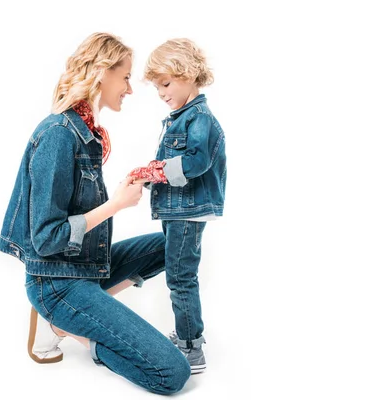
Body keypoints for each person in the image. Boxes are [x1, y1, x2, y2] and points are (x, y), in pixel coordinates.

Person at [0, 33, 190, 394]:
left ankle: (82, 311)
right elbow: (46, 237)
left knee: (174, 244)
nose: (130, 89)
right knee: (171, 374)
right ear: (103, 72)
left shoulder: (86, 132)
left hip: (83, 266)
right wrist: (115, 204)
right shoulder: (58, 134)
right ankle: (64, 327)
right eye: (127, 77)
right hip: (55, 282)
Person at [128, 38, 227, 374]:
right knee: (178, 272)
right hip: (176, 209)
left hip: (187, 211)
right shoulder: (180, 117)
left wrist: (159, 171)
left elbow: (196, 161)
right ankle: (188, 333)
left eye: (166, 84)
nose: (162, 94)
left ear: (188, 74)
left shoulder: (200, 118)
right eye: (158, 88)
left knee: (181, 277)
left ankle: (191, 347)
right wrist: (153, 173)